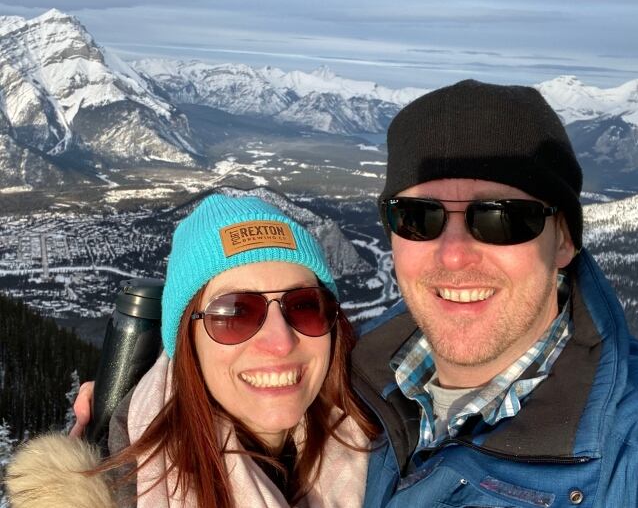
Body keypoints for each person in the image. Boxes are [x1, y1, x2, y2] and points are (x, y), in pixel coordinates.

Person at [349, 80, 638, 507]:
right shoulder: (340, 385)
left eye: (503, 219)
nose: (455, 255)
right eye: (418, 217)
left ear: (564, 241)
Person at [6, 194, 378, 507]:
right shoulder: (124, 494)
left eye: (304, 306)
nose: (280, 341)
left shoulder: (385, 434)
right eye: (235, 314)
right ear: (187, 344)